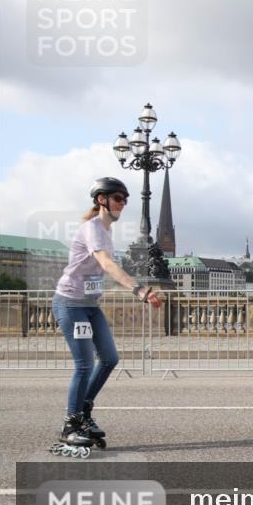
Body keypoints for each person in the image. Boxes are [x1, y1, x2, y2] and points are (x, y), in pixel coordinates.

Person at [50, 177, 163, 458]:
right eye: (117, 198)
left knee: (110, 358)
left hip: (89, 306)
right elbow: (107, 264)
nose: (122, 204)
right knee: (84, 365)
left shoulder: (105, 231)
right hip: (71, 304)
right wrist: (140, 290)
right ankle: (71, 423)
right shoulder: (93, 229)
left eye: (125, 200)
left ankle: (84, 411)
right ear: (102, 200)